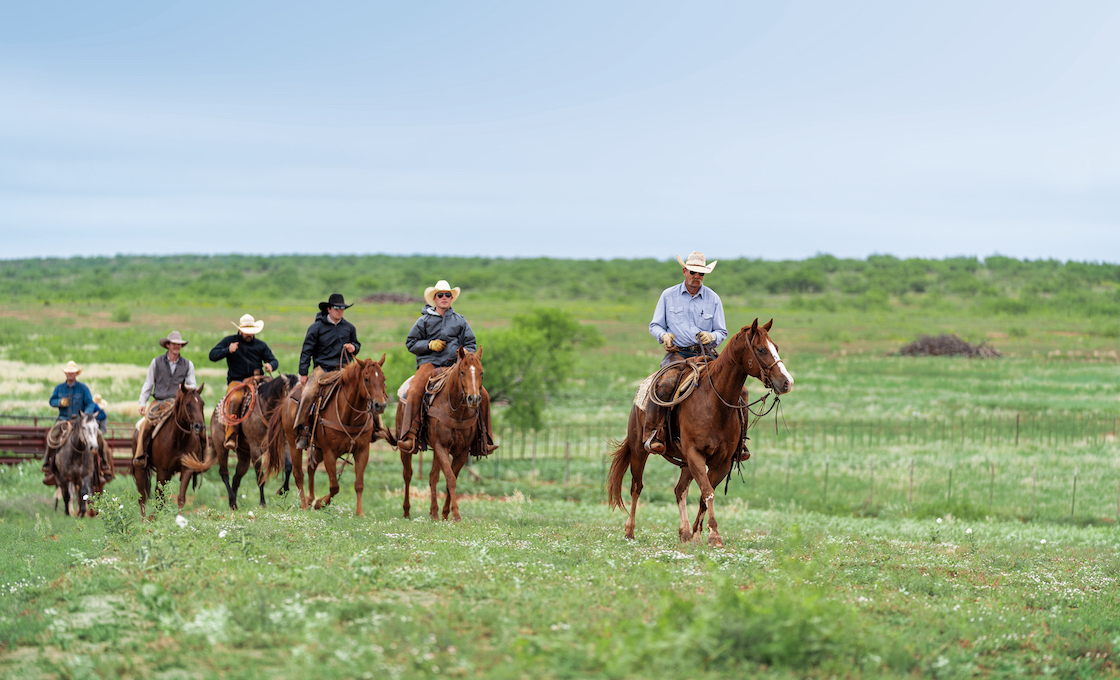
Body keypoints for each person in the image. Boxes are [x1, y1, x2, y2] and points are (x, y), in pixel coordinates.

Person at [396, 280, 498, 455]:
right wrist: (429, 345)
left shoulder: (460, 320)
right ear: (434, 298)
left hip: (454, 365)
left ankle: (484, 440)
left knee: (484, 395)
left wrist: (464, 354)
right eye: (440, 295)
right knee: (414, 392)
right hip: (429, 364)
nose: (444, 298)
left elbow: (471, 344)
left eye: (448, 295)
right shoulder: (424, 320)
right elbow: (410, 343)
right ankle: (409, 436)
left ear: (451, 298)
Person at [642, 252, 728, 454]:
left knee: (736, 388)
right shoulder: (668, 295)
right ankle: (653, 432)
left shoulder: (713, 299)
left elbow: (721, 331)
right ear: (684, 271)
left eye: (701, 273)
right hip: (678, 353)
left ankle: (739, 439)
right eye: (693, 272)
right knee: (666, 383)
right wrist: (664, 336)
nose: (696, 276)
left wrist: (711, 336)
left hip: (706, 354)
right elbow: (655, 325)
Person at [294, 294, 360, 450]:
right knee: (309, 393)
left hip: (344, 368)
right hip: (322, 369)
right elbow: (306, 351)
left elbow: (356, 344)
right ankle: (303, 430)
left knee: (366, 389)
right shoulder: (316, 328)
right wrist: (303, 372)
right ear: (329, 309)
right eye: (336, 308)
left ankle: (375, 429)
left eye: (342, 308)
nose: (339, 311)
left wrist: (353, 347)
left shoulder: (349, 328)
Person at [209, 314, 279, 450]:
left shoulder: (261, 346)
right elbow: (212, 355)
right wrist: (227, 350)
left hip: (258, 380)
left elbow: (274, 360)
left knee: (274, 397)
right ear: (240, 330)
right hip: (238, 382)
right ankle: (230, 435)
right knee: (235, 399)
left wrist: (271, 365)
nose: (249, 334)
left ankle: (277, 433)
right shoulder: (230, 341)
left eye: (252, 331)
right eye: (247, 331)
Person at [134, 331, 198, 466]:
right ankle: (140, 455)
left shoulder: (188, 364)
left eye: (179, 344)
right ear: (168, 345)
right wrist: (142, 402)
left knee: (197, 424)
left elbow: (193, 385)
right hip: (159, 401)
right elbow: (149, 383)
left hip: (177, 403)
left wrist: (185, 387)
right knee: (146, 424)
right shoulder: (156, 362)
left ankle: (200, 457)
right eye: (174, 344)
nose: (176, 347)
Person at [41, 360, 97, 485]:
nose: (70, 374)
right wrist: (59, 402)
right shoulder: (59, 388)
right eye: (68, 372)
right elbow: (51, 401)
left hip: (79, 420)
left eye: (72, 373)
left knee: (96, 436)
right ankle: (48, 463)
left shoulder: (83, 388)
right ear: (65, 374)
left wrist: (85, 416)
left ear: (76, 374)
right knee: (53, 436)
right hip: (63, 420)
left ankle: (102, 465)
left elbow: (90, 403)